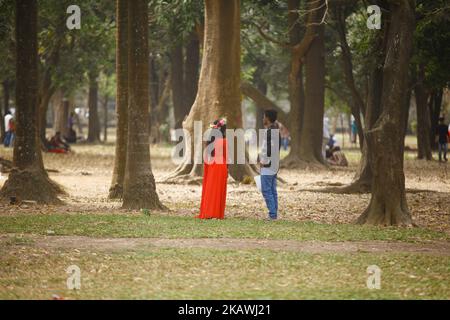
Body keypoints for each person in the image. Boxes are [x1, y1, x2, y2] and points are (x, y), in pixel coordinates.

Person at [197, 118, 228, 219]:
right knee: (218, 191)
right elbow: (227, 158)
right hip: (221, 167)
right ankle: (216, 213)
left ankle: (208, 212)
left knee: (210, 189)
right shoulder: (224, 141)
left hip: (211, 166)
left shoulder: (209, 141)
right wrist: (227, 169)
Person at [259, 110, 281, 221]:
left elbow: (269, 149)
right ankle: (274, 213)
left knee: (266, 189)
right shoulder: (276, 130)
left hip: (268, 164)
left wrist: (264, 161)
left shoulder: (270, 132)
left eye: (264, 117)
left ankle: (272, 214)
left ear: (267, 118)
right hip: (275, 163)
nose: (263, 119)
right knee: (272, 189)